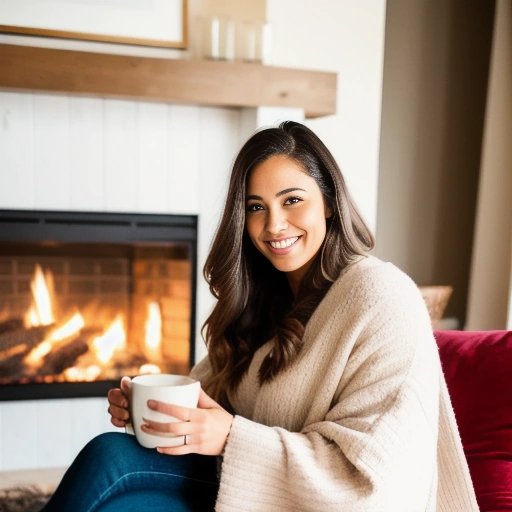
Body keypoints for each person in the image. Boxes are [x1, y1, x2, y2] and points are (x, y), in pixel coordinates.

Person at [42, 121, 478, 511]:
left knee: (111, 464)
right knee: (114, 464)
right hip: (236, 492)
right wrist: (158, 415)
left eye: (292, 200)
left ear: (328, 202)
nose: (274, 226)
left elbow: (375, 483)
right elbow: (211, 408)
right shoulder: (262, 295)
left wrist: (231, 437)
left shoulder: (381, 296)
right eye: (256, 207)